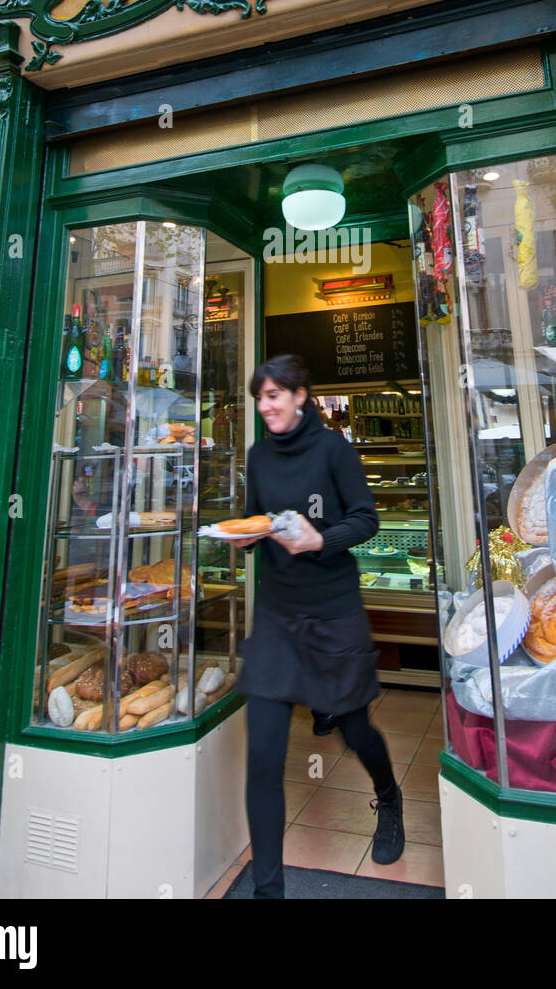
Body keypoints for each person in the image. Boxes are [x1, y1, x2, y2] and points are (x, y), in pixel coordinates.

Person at [232, 353, 405, 899]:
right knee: (262, 756)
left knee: (355, 731)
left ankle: (390, 796)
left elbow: (367, 519)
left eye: (273, 396)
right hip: (277, 619)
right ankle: (268, 890)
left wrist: (319, 539)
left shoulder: (334, 449)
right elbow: (256, 519)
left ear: (301, 395)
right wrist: (242, 539)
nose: (265, 407)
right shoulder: (258, 456)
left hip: (333, 612)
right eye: (260, 398)